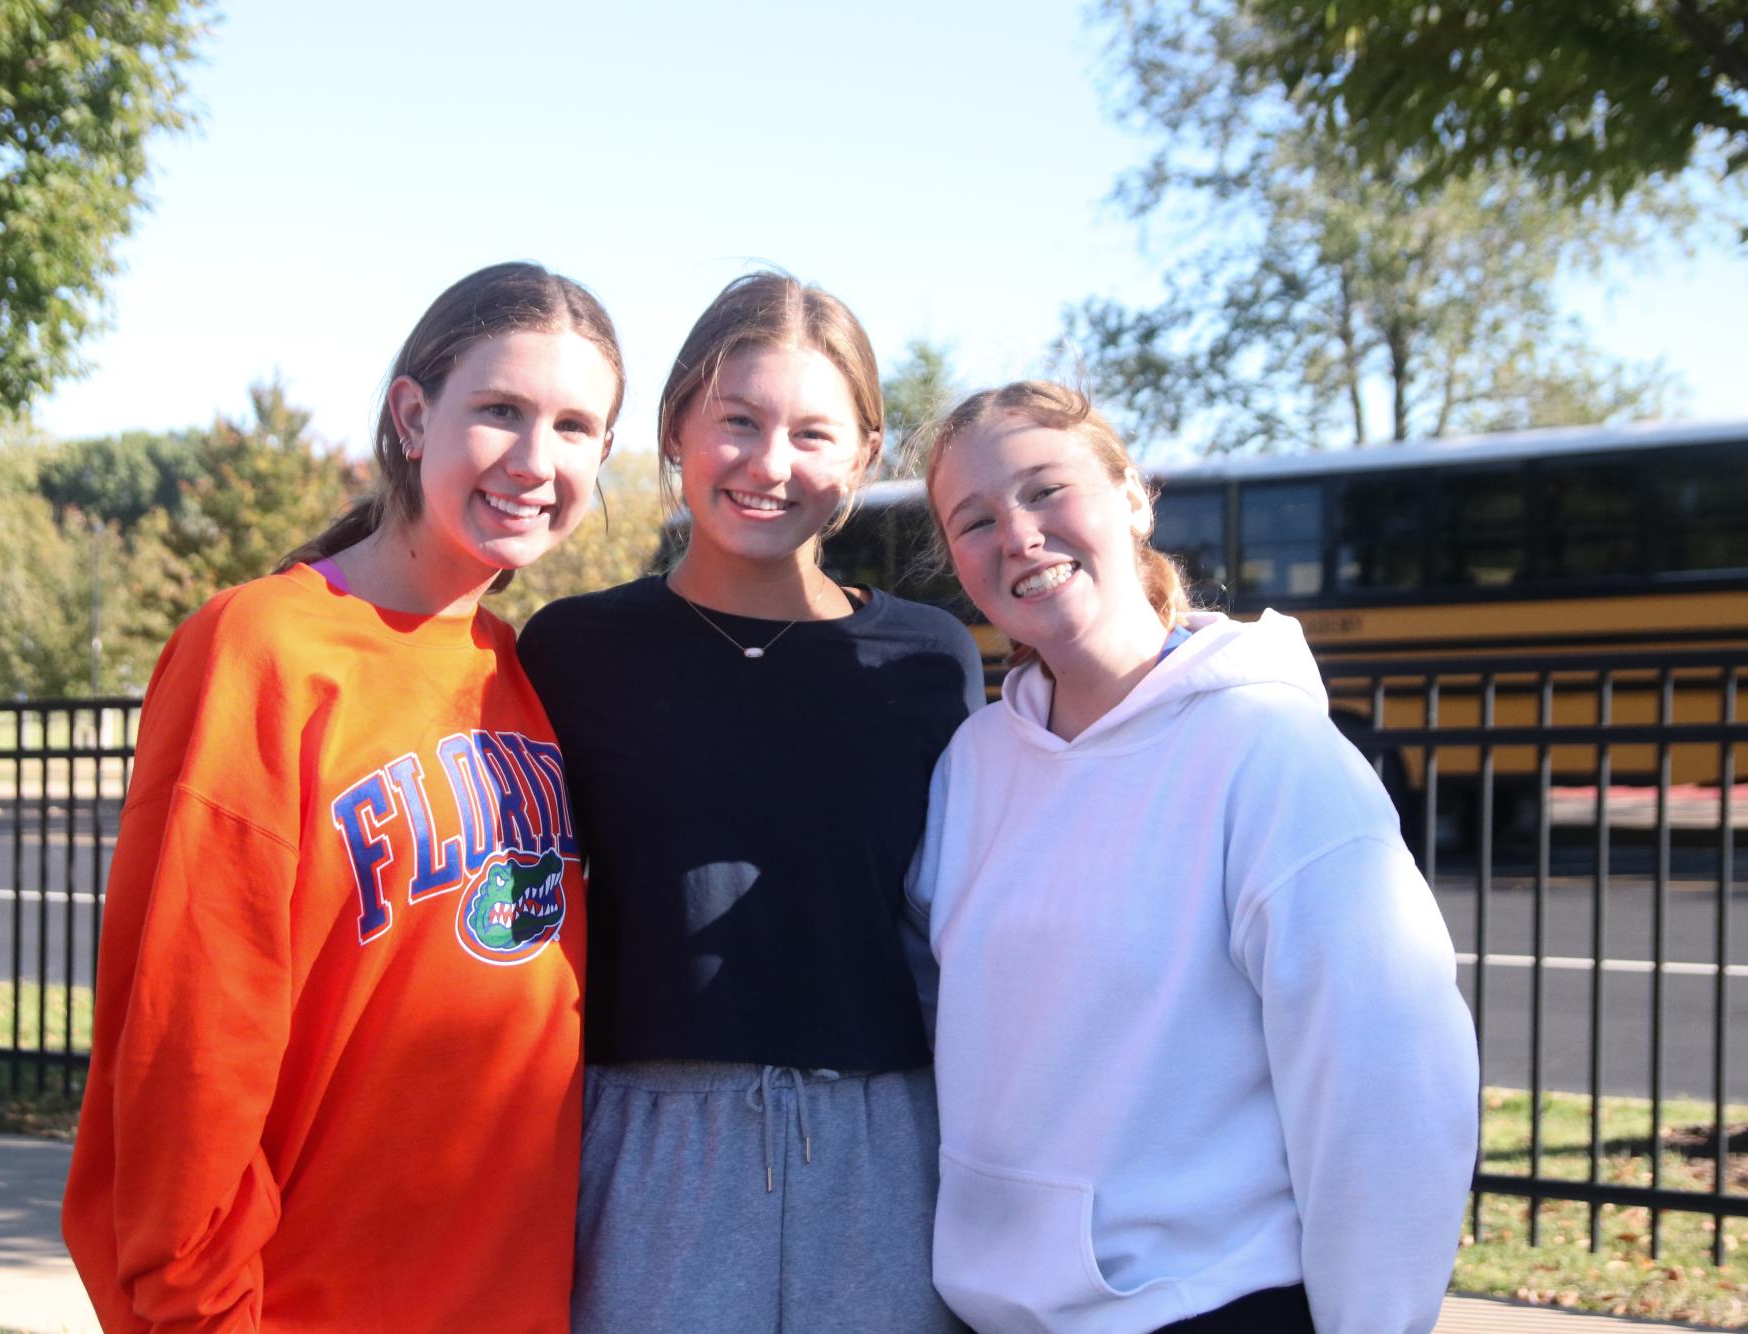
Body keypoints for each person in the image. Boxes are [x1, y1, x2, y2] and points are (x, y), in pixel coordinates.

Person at [62, 262, 625, 1333]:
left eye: (573, 426)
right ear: (413, 415)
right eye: (500, 410)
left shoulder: (520, 672)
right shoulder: (261, 647)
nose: (534, 459)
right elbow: (191, 1038)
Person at [911, 380, 1479, 1334]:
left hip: (1206, 1309)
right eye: (974, 520)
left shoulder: (1272, 754)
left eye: (1047, 490)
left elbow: (1388, 1095)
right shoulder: (972, 764)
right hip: (992, 1313)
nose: (1018, 535)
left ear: (1132, 495)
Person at [516, 272, 981, 1333]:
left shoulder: (927, 658)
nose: (772, 464)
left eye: (813, 433)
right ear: (678, 426)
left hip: (886, 1147)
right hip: (649, 1144)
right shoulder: (575, 651)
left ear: (864, 455)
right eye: (739, 421)